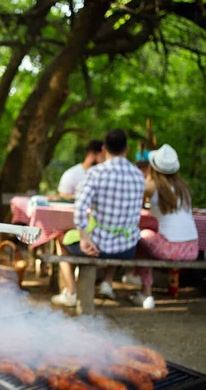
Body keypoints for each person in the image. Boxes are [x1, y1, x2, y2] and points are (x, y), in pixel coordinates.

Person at [52, 129, 145, 307]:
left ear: (104, 149)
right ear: (127, 149)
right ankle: (107, 282)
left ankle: (71, 292)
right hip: (128, 249)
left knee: (61, 240)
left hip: (99, 247)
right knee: (113, 240)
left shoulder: (95, 173)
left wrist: (84, 237)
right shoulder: (139, 176)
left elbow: (79, 209)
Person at [129, 144, 199, 309]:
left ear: (153, 167)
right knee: (149, 237)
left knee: (141, 237)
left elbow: (135, 203)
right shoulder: (184, 187)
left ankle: (145, 292)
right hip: (192, 248)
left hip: (170, 248)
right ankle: (138, 280)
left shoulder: (152, 187)